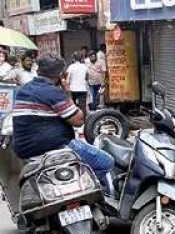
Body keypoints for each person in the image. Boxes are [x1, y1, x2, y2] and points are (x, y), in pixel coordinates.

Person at [11, 55, 114, 190]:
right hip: (53, 147)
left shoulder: (22, 91)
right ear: (60, 75)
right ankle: (92, 193)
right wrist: (67, 93)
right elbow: (78, 120)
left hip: (24, 151)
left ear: (38, 71)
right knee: (106, 162)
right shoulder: (53, 92)